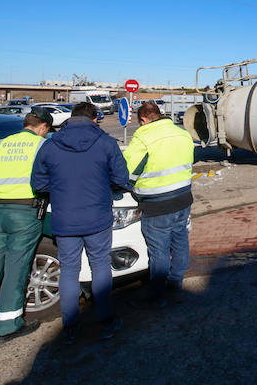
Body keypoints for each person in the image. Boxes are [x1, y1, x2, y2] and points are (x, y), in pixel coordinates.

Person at [31, 102, 129, 343]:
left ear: (71, 117)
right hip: (98, 218)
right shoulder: (105, 142)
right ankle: (106, 320)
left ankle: (70, 327)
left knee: (69, 270)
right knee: (100, 267)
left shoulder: (51, 144)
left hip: (65, 219)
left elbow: (39, 184)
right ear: (94, 118)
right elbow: (121, 177)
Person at [0, 107, 52, 346]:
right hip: (25, 212)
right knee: (16, 268)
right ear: (43, 127)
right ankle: (8, 325)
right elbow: (45, 178)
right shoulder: (41, 145)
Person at [123, 101, 195, 307]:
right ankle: (176, 283)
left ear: (143, 119)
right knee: (180, 241)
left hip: (157, 204)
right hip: (183, 199)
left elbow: (127, 172)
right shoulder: (182, 134)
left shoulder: (143, 137)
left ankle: (157, 295)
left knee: (159, 251)